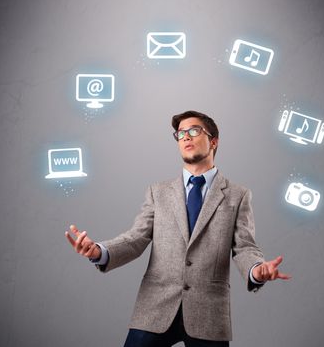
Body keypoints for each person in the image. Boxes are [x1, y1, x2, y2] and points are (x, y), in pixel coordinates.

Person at [65, 110, 291, 347]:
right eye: (180, 133)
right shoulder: (158, 192)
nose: (185, 137)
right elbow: (136, 238)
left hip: (209, 313)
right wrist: (99, 251)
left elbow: (244, 247)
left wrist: (256, 270)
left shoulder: (238, 195)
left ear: (213, 141)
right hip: (155, 308)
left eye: (194, 131)